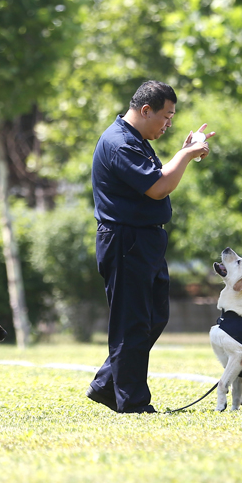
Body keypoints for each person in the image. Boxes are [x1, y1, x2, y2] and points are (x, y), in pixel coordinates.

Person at [86, 80, 215, 414]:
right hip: (127, 240)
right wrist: (185, 155)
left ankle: (106, 384)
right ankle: (132, 403)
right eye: (166, 117)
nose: (168, 124)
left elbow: (159, 177)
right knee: (132, 322)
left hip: (144, 240)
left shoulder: (136, 140)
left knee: (154, 316)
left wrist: (183, 154)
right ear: (145, 110)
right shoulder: (119, 143)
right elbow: (158, 188)